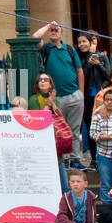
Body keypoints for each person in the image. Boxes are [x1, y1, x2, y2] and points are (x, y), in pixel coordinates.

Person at [32, 21, 85, 164]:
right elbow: (34, 38)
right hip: (56, 98)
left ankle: (75, 158)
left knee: (74, 129)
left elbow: (79, 71)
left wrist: (81, 93)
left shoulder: (69, 49)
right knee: (61, 130)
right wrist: (48, 26)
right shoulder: (46, 49)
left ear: (61, 33)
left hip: (74, 95)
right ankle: (64, 159)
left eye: (56, 30)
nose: (53, 32)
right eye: (52, 31)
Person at [23, 169, 97, 223]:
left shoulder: (91, 197)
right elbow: (61, 216)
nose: (75, 184)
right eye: (72, 182)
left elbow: (92, 217)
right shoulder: (66, 197)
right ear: (69, 183)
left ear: (85, 184)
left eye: (78, 182)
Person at [28, 72, 73, 192]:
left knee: (64, 183)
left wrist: (52, 103)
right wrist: (48, 106)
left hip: (55, 141)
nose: (42, 81)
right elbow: (37, 119)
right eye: (40, 80)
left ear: (50, 84)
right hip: (41, 141)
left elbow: (60, 117)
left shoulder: (55, 100)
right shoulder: (33, 99)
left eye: (45, 80)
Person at [76, 32, 111, 165]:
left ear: (91, 42)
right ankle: (94, 159)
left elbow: (108, 75)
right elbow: (82, 75)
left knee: (103, 127)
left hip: (100, 97)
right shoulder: (79, 58)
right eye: (79, 42)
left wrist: (98, 64)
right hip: (86, 97)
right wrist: (90, 64)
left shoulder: (102, 57)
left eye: (84, 41)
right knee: (91, 127)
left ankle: (103, 157)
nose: (82, 44)